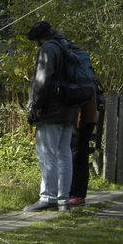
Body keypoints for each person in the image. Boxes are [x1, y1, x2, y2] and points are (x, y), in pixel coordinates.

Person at [24, 21, 79, 213]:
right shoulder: (67, 46)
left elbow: (42, 80)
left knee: (47, 154)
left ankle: (48, 197)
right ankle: (63, 199)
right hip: (70, 108)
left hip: (52, 109)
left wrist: (37, 106)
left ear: (40, 38)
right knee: (64, 153)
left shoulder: (48, 49)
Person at [69, 89, 98, 206]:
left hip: (81, 117)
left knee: (77, 154)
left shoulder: (77, 71)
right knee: (78, 153)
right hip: (85, 116)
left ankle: (77, 194)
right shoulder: (85, 71)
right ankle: (76, 193)